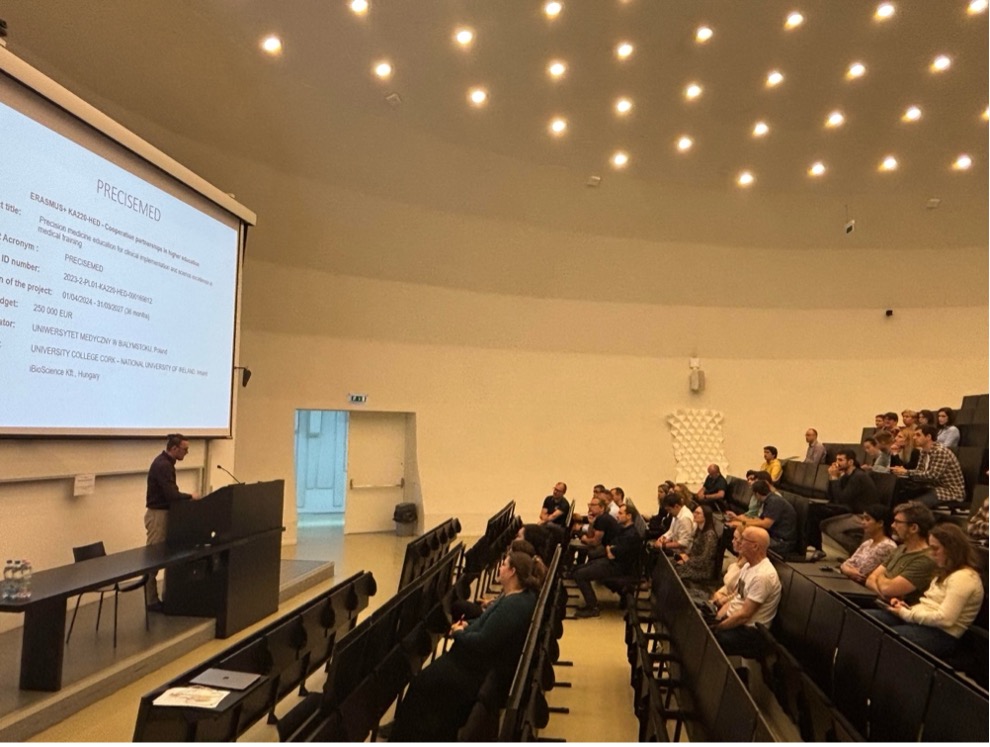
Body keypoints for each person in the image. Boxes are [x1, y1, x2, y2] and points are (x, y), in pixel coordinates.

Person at [390, 551, 541, 741]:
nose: (500, 567)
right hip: (473, 661)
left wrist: (459, 633)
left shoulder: (514, 605)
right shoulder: (513, 596)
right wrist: (467, 626)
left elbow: (483, 641)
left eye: (504, 564)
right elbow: (485, 622)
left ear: (512, 572)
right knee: (424, 682)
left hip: (476, 670)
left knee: (421, 684)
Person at [866, 523, 984, 658]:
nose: (932, 554)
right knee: (867, 619)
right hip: (920, 621)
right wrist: (907, 608)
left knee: (884, 638)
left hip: (942, 634)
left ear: (952, 550)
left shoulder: (964, 578)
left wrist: (906, 613)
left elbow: (945, 620)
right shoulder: (946, 571)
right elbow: (930, 605)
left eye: (936, 549)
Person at [145, 433, 201, 611]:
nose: (187, 453)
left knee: (160, 557)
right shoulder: (163, 465)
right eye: (185, 449)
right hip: (158, 516)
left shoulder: (167, 463)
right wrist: (190, 497)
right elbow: (171, 495)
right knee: (153, 558)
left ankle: (159, 598)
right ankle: (151, 601)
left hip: (164, 514)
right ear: (174, 448)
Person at [712, 527, 782, 658]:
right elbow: (736, 598)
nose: (738, 542)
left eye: (743, 539)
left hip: (751, 632)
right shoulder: (747, 566)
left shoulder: (763, 576)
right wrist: (717, 618)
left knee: (709, 638)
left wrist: (718, 627)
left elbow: (744, 615)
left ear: (755, 546)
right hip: (736, 623)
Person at [807, 449, 878, 561]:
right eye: (836, 460)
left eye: (840, 460)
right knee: (813, 510)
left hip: (862, 515)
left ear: (850, 462)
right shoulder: (846, 476)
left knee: (829, 527)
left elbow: (842, 499)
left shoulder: (858, 476)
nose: (837, 463)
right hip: (849, 509)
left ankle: (858, 552)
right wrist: (832, 478)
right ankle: (816, 547)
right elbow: (832, 497)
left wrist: (835, 478)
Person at [573, 504, 643, 618]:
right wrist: (610, 549)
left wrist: (610, 550)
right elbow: (610, 545)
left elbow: (614, 553)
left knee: (579, 574)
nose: (617, 516)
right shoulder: (623, 529)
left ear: (629, 516)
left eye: (620, 513)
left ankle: (593, 607)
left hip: (618, 568)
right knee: (577, 569)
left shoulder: (631, 535)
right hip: (612, 563)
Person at [864, 501, 937, 605]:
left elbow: (888, 589)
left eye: (897, 522)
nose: (892, 526)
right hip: (881, 603)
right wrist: (883, 588)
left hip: (897, 611)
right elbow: (870, 578)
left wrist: (880, 578)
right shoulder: (900, 548)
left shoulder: (926, 559)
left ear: (913, 528)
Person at [891, 425, 966, 507]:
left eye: (918, 435)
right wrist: (902, 472)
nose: (914, 438)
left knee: (912, 506)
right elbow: (919, 471)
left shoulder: (940, 451)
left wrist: (907, 472)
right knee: (899, 495)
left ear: (928, 437)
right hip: (931, 487)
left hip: (949, 491)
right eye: (914, 435)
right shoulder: (923, 451)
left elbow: (933, 475)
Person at [726, 479, 797, 556]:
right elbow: (759, 520)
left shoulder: (774, 501)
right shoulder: (769, 500)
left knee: (748, 540)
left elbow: (766, 524)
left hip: (781, 541)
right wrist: (738, 519)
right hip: (774, 537)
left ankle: (744, 562)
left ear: (756, 494)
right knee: (743, 534)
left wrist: (742, 524)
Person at [838, 505, 897, 583]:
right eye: (863, 519)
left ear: (880, 523)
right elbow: (846, 564)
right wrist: (848, 570)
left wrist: (847, 569)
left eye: (867, 519)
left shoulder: (886, 546)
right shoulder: (867, 543)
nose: (863, 522)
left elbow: (862, 574)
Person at [675, 504, 720, 582]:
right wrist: (686, 559)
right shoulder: (699, 529)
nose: (694, 515)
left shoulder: (710, 535)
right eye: (694, 512)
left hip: (703, 570)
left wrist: (688, 561)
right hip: (695, 563)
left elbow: (705, 559)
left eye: (698, 513)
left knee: (677, 571)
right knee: (674, 564)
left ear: (705, 516)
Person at [711, 527, 747, 607]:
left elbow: (737, 595)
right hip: (721, 597)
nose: (732, 541)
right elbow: (727, 587)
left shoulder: (747, 568)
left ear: (743, 543)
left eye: (735, 538)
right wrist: (719, 593)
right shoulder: (737, 561)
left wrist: (721, 600)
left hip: (730, 605)